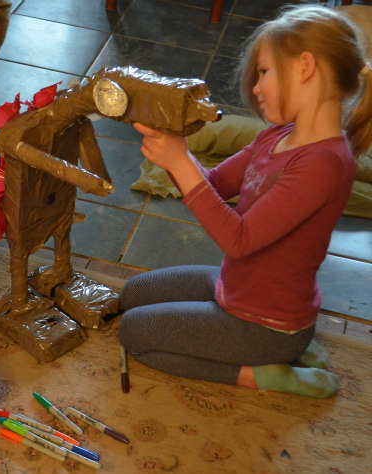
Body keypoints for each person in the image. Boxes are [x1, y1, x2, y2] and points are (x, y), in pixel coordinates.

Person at [120, 5, 372, 399]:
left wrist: (181, 163)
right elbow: (216, 186)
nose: (256, 87)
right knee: (132, 294)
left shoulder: (324, 164)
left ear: (305, 67)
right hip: (235, 287)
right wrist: (174, 152)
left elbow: (239, 240)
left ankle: (268, 371)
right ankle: (285, 349)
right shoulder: (279, 134)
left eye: (264, 71)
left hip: (264, 323)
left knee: (135, 333)